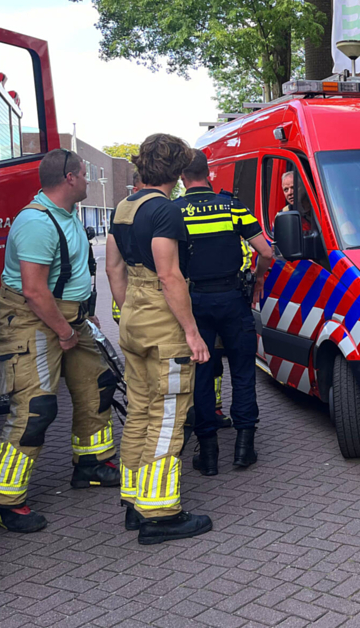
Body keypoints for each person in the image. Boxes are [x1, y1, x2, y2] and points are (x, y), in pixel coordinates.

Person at [0, 149, 120, 533]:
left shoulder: (66, 217)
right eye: (85, 175)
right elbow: (34, 291)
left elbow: (70, 276)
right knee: (36, 408)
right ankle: (5, 500)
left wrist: (84, 315)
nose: (88, 181)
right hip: (34, 321)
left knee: (97, 384)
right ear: (69, 178)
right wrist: (65, 332)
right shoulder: (36, 223)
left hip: (71, 319)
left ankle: (92, 464)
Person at [105, 133, 212, 544]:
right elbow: (170, 276)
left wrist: (129, 309)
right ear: (177, 170)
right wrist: (191, 331)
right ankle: (161, 515)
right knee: (168, 417)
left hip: (133, 314)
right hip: (163, 323)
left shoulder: (124, 207)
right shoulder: (165, 212)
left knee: (140, 412)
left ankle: (134, 501)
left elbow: (114, 269)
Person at [176, 151, 272, 476]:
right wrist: (258, 279)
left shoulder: (176, 212)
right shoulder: (232, 206)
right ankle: (244, 447)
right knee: (243, 371)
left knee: (202, 374)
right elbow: (266, 251)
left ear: (182, 178)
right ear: (209, 174)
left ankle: (209, 452)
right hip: (233, 298)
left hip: (196, 302)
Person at [111, 172, 144, 324]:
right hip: (132, 302)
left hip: (127, 305)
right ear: (136, 190)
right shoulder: (126, 217)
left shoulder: (120, 213)